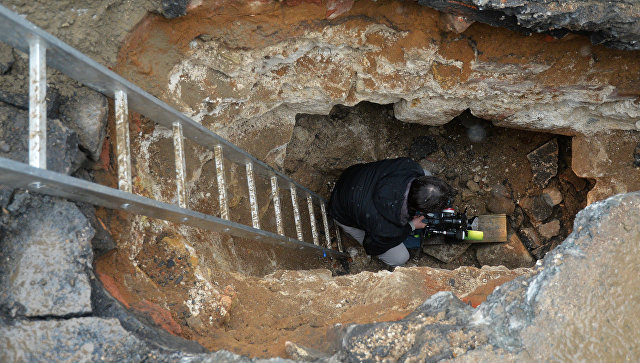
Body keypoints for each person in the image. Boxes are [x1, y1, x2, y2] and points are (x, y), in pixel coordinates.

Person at [329, 158, 454, 267]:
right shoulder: (387, 228)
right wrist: (410, 226)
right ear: (420, 210)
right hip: (341, 211)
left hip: (352, 178)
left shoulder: (409, 165)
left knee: (425, 173)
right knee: (400, 257)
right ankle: (352, 231)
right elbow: (371, 247)